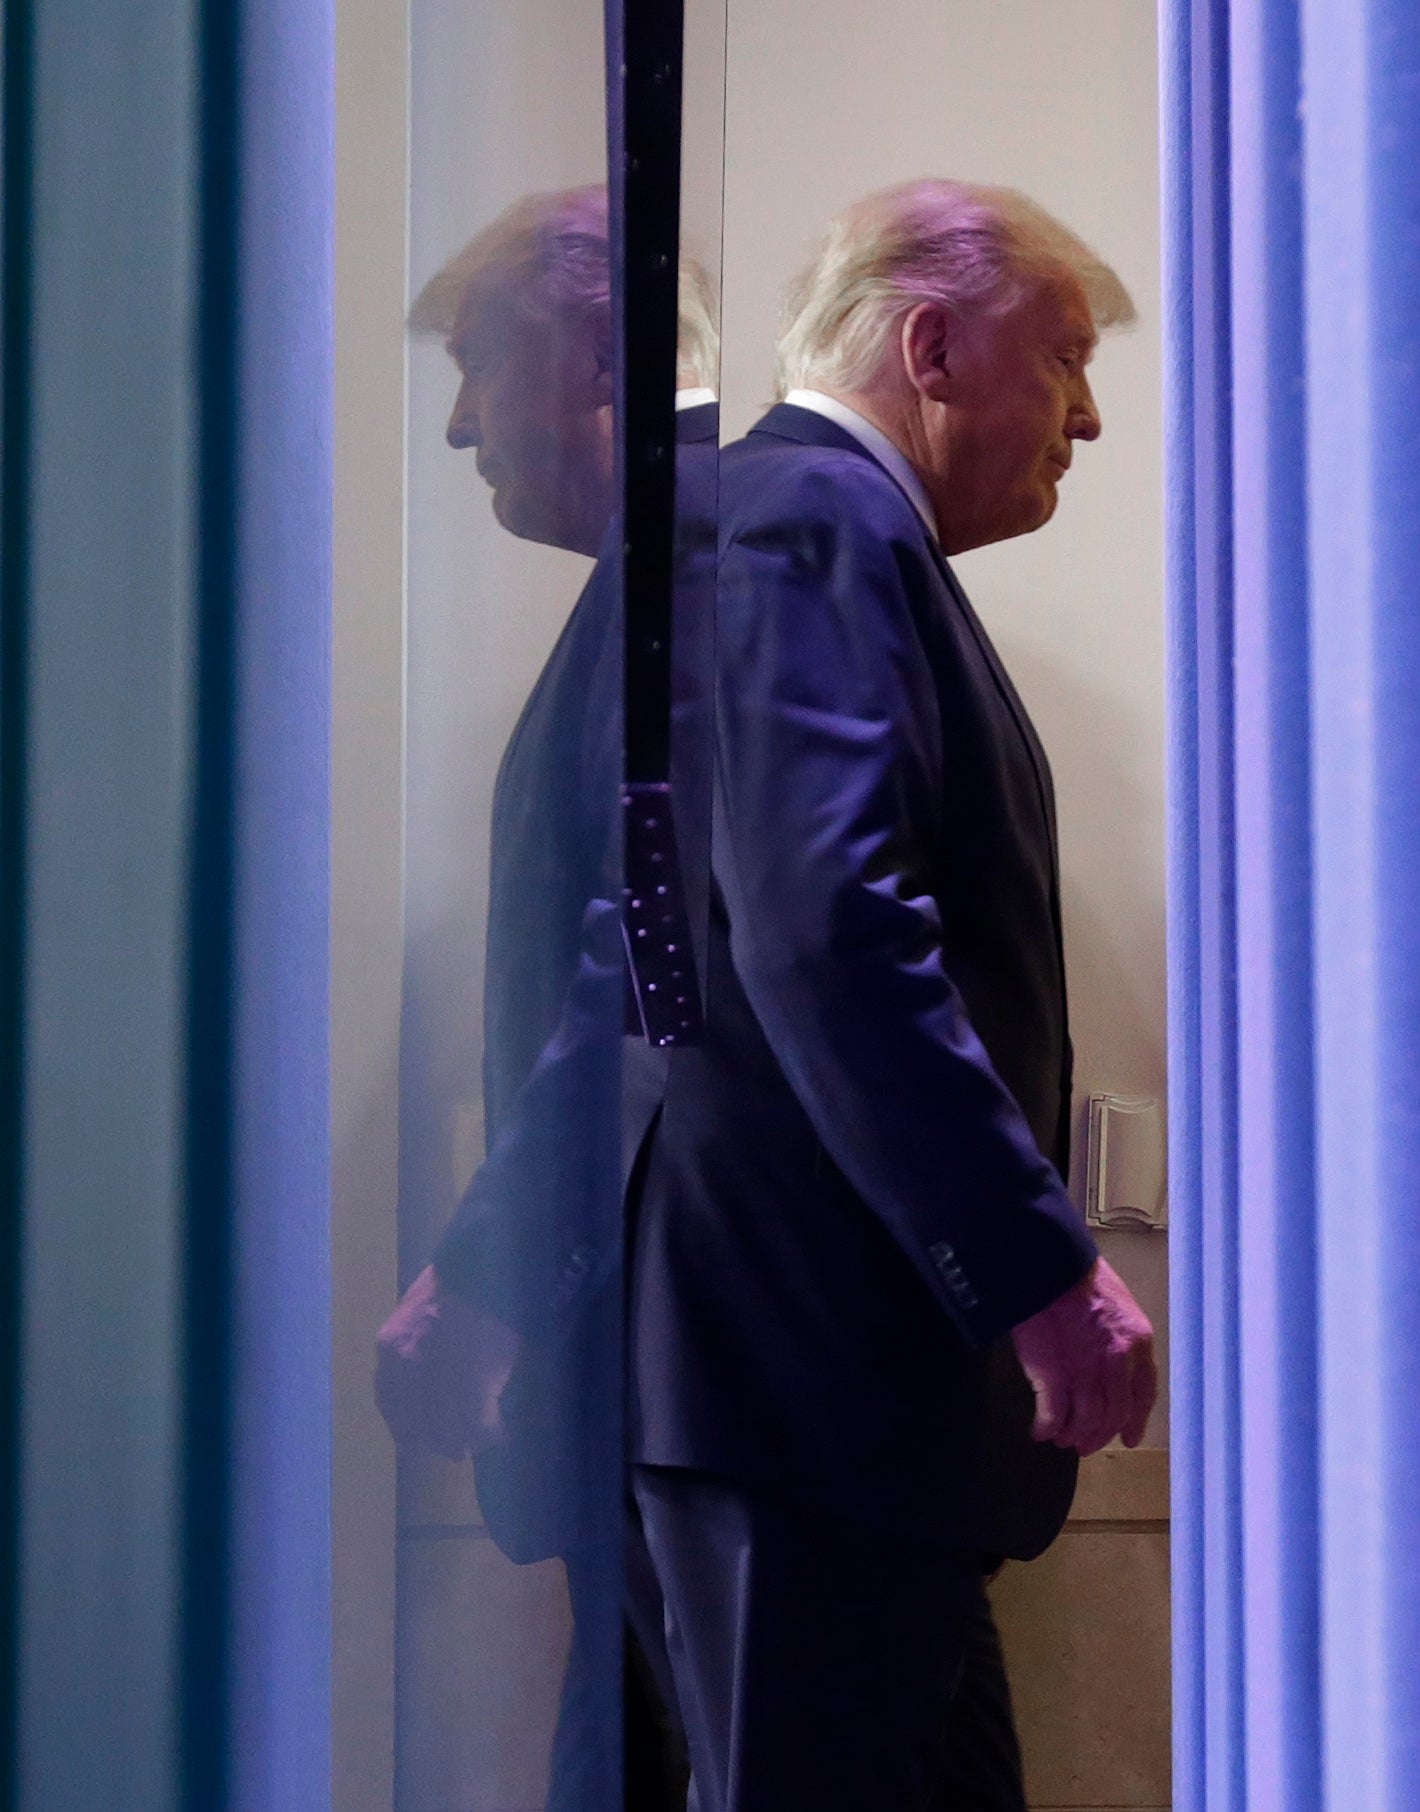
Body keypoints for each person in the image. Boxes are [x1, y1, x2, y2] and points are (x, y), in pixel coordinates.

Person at [630, 179, 1159, 1810]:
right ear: (929, 342)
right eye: (1063, 356)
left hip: (834, 1402)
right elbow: (828, 925)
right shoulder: (813, 516)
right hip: (814, 1389)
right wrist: (1036, 1272)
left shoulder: (819, 531)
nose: (1083, 414)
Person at [373, 184, 713, 1812]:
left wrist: (484, 1276)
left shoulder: (690, 578)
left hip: (678, 1383)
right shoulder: (657, 584)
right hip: (655, 1385)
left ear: (595, 354)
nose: (455, 430)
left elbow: (640, 984)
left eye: (472, 367)